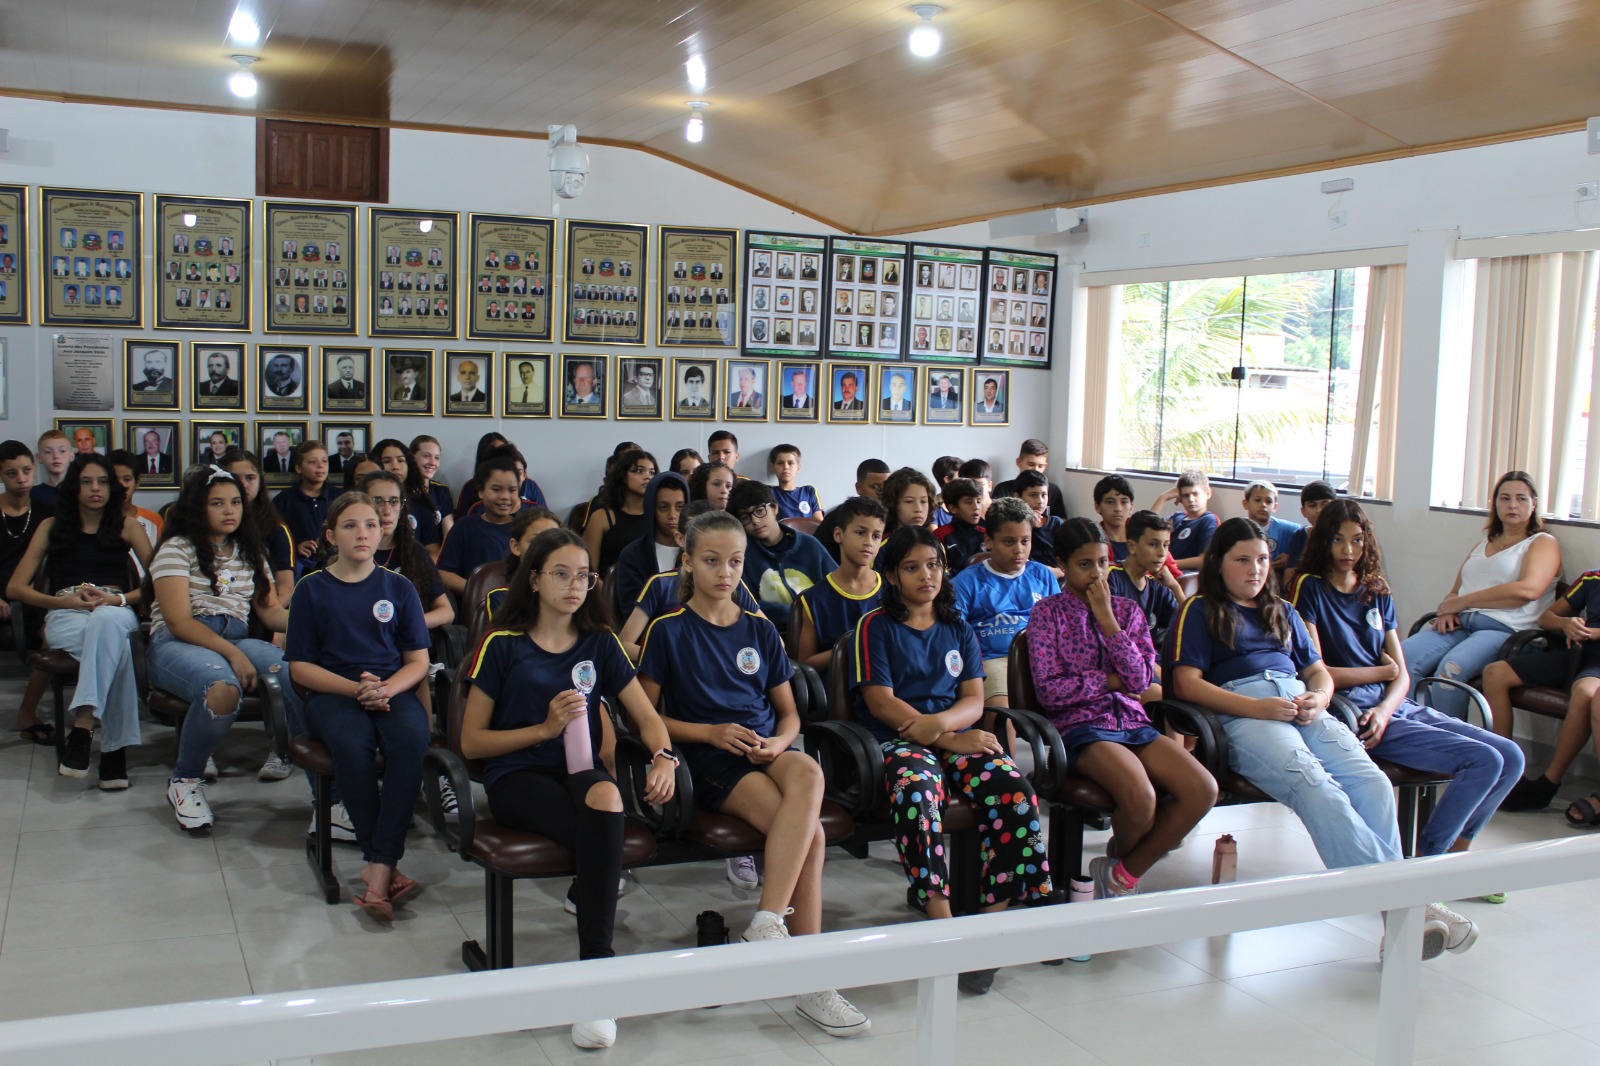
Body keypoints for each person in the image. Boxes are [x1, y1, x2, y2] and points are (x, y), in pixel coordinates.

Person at [637, 511, 869, 1038]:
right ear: (689, 563)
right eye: (712, 561)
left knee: (808, 771)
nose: (724, 572)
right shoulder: (667, 630)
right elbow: (646, 717)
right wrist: (710, 732)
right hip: (711, 758)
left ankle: (766, 924)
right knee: (808, 836)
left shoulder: (759, 628)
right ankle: (813, 982)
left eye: (735, 562)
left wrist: (780, 742)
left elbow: (789, 714)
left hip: (765, 748)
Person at [462, 529, 677, 1050]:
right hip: (516, 774)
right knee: (600, 829)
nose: (574, 585)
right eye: (561, 574)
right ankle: (596, 963)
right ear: (533, 580)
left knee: (607, 797)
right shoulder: (503, 644)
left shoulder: (600, 641)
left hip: (577, 770)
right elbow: (471, 742)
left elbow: (646, 715)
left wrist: (663, 756)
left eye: (584, 575)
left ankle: (593, 973)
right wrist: (542, 729)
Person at [850, 526, 1050, 995]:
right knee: (917, 793)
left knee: (1014, 789)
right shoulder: (875, 626)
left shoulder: (958, 625)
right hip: (898, 739)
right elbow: (881, 701)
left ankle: (986, 928)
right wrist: (942, 735)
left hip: (946, 734)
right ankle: (941, 926)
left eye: (934, 565)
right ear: (893, 576)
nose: (927, 575)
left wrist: (943, 732)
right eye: (912, 567)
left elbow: (974, 700)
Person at [1293, 500, 1518, 900]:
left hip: (1392, 706)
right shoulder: (1308, 586)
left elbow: (1403, 673)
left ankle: (1457, 853)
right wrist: (1381, 678)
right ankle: (1428, 864)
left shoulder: (1376, 590)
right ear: (1323, 542)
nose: (1348, 550)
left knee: (1511, 758)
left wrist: (1387, 703)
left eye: (1357, 540)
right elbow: (1318, 670)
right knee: (1484, 760)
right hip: (1351, 710)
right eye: (1339, 540)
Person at [1172, 519, 1410, 884]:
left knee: (1373, 783)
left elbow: (1318, 671)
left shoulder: (1283, 610)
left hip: (1300, 705)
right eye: (1242, 560)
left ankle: (1400, 907)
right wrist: (1256, 708)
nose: (1255, 570)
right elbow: (1186, 685)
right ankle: (1406, 903)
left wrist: (1321, 696)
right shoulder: (1200, 609)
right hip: (1244, 712)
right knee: (1318, 789)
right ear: (1218, 562)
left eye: (1263, 559)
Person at [1029, 518, 1215, 893]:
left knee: (1203, 788)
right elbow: (1051, 692)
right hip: (1080, 729)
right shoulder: (1047, 614)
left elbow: (1141, 679)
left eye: (1102, 562)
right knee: (1141, 797)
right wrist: (1110, 680)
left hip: (1132, 721)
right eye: (1084, 565)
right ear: (1062, 565)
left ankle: (1120, 872)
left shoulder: (1126, 612)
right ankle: (1122, 876)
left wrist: (1108, 621)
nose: (1096, 574)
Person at [287, 492, 432, 921]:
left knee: (411, 741)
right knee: (353, 746)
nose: (363, 533)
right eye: (350, 525)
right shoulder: (312, 588)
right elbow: (300, 667)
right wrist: (356, 689)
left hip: (391, 690)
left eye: (370, 524)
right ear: (331, 535)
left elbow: (418, 661)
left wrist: (385, 689)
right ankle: (383, 861)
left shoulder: (398, 586)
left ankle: (379, 866)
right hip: (334, 694)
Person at [147, 466, 300, 830]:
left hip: (236, 635)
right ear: (197, 507)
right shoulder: (175, 548)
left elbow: (271, 612)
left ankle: (326, 792)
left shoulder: (250, 552)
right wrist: (233, 655)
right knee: (222, 690)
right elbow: (179, 622)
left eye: (235, 502)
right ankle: (184, 781)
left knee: (298, 672)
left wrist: (318, 624)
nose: (230, 510)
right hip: (180, 641)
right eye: (217, 503)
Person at [6, 453, 154, 784]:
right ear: (74, 487)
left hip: (115, 607)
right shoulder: (51, 526)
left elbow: (160, 584)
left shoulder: (128, 526)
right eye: (86, 482)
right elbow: (16, 587)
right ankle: (114, 755)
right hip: (67, 611)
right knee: (118, 649)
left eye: (102, 482)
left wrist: (116, 599)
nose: (95, 489)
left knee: (106, 623)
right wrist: (62, 602)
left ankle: (83, 725)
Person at [1401, 470, 1561, 720]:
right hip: (1462, 624)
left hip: (1507, 631)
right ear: (1495, 503)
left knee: (1451, 670)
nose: (1512, 505)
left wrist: (1462, 602)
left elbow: (1527, 590)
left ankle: (1455, 748)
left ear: (1534, 504)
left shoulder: (1542, 542)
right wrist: (1448, 609)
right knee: (1403, 658)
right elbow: (1456, 590)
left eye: (1521, 499)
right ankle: (1422, 732)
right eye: (1504, 498)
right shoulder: (1483, 545)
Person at [1485, 571, 1600, 817]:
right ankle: (1505, 769)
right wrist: (1565, 624)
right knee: (1495, 674)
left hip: (1595, 666)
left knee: (1584, 693)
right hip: (1578, 654)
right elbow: (1546, 617)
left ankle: (1548, 783)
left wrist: (1595, 633)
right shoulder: (1593, 579)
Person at [952, 497, 1059, 710]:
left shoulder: (1042, 575)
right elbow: (957, 636)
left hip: (1043, 658)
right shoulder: (966, 582)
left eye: (1025, 541)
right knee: (1003, 711)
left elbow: (1059, 624)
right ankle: (1004, 743)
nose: (1019, 550)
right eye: (1009, 542)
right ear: (989, 541)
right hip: (994, 660)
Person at [1, 442, 55, 744]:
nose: (21, 479)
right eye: (11, 474)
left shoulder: (47, 514)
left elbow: (55, 562)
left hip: (32, 593)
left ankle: (28, 712)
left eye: (26, 471)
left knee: (52, 634)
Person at [794, 496, 885, 672]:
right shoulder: (813, 599)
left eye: (876, 536)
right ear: (838, 535)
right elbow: (805, 665)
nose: (869, 542)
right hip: (837, 692)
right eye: (860, 532)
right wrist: (854, 645)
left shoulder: (892, 591)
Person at [728, 481, 836, 628]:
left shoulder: (809, 545)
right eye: (745, 517)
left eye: (759, 511)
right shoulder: (743, 556)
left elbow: (837, 586)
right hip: (773, 631)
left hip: (820, 626)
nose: (755, 521)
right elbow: (745, 602)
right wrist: (791, 614)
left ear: (774, 508)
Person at [438, 453, 525, 597]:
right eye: (496, 489)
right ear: (480, 491)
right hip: (476, 608)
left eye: (512, 490)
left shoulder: (524, 529)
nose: (505, 496)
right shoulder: (464, 527)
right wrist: (479, 590)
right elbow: (443, 574)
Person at [608, 472, 689, 620]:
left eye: (679, 507)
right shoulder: (633, 555)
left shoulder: (695, 552)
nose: (673, 515)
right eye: (663, 507)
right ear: (651, 510)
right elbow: (630, 612)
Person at [1108, 511, 1183, 653]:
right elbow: (1114, 637)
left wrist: (1175, 587)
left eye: (1166, 545)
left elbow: (1187, 626)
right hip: (1124, 661)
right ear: (1132, 546)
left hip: (1151, 661)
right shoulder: (1111, 576)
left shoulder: (1158, 583)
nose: (1162, 553)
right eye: (1154, 544)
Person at [584, 448, 657, 575]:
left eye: (652, 473)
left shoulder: (657, 516)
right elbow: (589, 571)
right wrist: (605, 593)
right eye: (639, 471)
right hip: (607, 589)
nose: (647, 477)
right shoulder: (601, 517)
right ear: (623, 476)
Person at [369, 439, 441, 555]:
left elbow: (433, 551)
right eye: (387, 461)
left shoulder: (421, 503)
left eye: (401, 460)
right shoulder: (365, 502)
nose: (395, 467)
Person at [273, 441, 334, 577]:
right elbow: (273, 538)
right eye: (312, 462)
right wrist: (295, 548)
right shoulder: (283, 500)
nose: (320, 465)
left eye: (324, 461)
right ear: (299, 468)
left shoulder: (338, 497)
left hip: (334, 562)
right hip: (298, 563)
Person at [1152, 469, 1218, 571]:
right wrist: (1163, 497)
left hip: (1181, 575)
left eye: (1195, 494)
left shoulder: (1208, 520)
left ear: (1208, 493)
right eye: (1186, 495)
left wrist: (1167, 563)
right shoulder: (1177, 517)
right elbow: (1148, 528)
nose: (1191, 499)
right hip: (1162, 570)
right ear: (1180, 498)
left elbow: (1203, 561)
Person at [1242, 480, 1301, 584]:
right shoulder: (1236, 529)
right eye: (1257, 500)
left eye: (1269, 501)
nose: (1263, 505)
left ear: (1275, 507)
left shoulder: (1290, 530)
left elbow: (1308, 539)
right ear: (1245, 504)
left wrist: (1291, 559)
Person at [410, 436, 456, 548]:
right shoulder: (400, 492)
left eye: (436, 458)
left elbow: (449, 536)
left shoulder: (442, 492)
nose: (432, 462)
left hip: (435, 558)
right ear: (411, 457)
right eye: (426, 456)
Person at [934, 478, 985, 574]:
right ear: (953, 508)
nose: (976, 507)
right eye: (969, 502)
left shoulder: (987, 533)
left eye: (978, 501)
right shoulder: (940, 535)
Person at [879, 467, 937, 538]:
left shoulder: (934, 544)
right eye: (909, 501)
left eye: (923, 501)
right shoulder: (880, 546)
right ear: (893, 504)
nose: (918, 509)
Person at [769, 444, 822, 521]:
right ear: (773, 467)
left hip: (807, 533)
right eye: (780, 463)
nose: (786, 467)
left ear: (798, 468)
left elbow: (819, 523)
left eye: (790, 463)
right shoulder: (769, 492)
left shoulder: (809, 491)